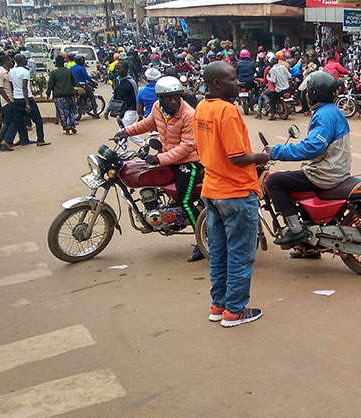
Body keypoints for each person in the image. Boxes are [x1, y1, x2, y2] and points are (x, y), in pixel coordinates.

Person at [193, 61, 268, 327]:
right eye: (233, 79)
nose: (238, 83)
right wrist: (262, 156)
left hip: (212, 190)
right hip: (236, 192)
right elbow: (238, 157)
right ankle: (235, 311)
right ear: (217, 83)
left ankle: (218, 306)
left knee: (220, 252)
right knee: (239, 254)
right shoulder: (227, 111)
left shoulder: (201, 107)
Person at [115, 76, 205, 262]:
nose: (173, 101)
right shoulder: (158, 108)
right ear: (160, 98)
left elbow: (187, 146)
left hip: (189, 162)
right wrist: (127, 131)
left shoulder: (188, 114)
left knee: (185, 200)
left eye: (176, 97)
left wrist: (160, 158)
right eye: (168, 98)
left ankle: (202, 241)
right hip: (169, 158)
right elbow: (148, 123)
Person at [264, 71, 351, 247]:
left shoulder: (324, 115)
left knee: (274, 181)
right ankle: (310, 246)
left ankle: (296, 229)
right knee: (296, 181)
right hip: (334, 168)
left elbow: (312, 147)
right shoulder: (331, 111)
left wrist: (276, 152)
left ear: (313, 94)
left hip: (325, 173)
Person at [10, 53, 49, 146]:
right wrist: (27, 103)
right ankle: (40, 140)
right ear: (21, 61)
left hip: (16, 98)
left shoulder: (11, 71)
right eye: (25, 59)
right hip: (27, 99)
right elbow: (24, 87)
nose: (27, 61)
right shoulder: (25, 71)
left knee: (18, 121)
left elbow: (12, 86)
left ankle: (13, 140)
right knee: (38, 120)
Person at [106, 60, 142, 149]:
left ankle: (124, 153)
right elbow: (115, 96)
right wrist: (107, 109)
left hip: (131, 110)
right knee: (128, 132)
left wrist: (139, 113)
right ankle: (144, 144)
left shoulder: (131, 82)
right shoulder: (118, 81)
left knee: (123, 131)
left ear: (126, 69)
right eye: (116, 69)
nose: (117, 71)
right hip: (121, 110)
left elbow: (136, 96)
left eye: (119, 69)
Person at [46, 55, 77, 135]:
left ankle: (67, 128)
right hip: (70, 94)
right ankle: (72, 123)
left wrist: (48, 93)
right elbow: (74, 83)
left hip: (59, 96)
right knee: (71, 111)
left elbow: (50, 85)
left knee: (63, 113)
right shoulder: (69, 71)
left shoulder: (53, 73)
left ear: (56, 63)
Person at [0, 55, 16, 151]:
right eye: (10, 61)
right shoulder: (0, 73)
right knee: (8, 122)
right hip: (7, 101)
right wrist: (9, 101)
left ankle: (6, 141)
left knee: (9, 121)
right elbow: (0, 89)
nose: (12, 63)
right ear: (6, 61)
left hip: (11, 99)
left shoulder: (9, 72)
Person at [264, 54, 291, 121]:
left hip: (278, 90)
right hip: (287, 88)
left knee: (271, 101)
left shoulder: (272, 70)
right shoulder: (283, 67)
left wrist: (268, 78)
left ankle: (272, 115)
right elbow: (289, 76)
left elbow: (273, 80)